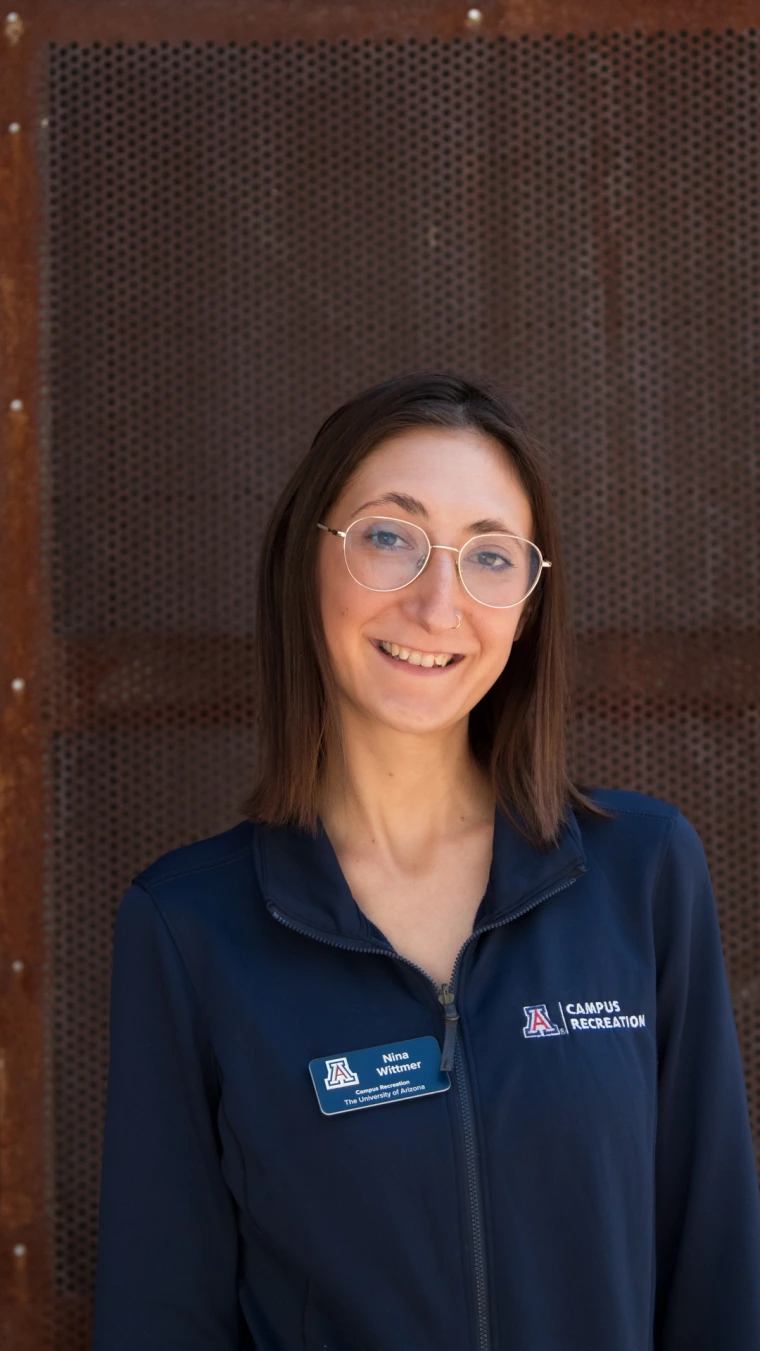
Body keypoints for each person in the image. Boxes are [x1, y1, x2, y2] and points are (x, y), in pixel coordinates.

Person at [92, 373, 760, 1351]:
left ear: (528, 607)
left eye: (490, 556)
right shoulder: (190, 928)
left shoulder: (642, 874)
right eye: (389, 537)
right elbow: (163, 1314)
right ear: (305, 561)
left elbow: (717, 1277)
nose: (437, 603)